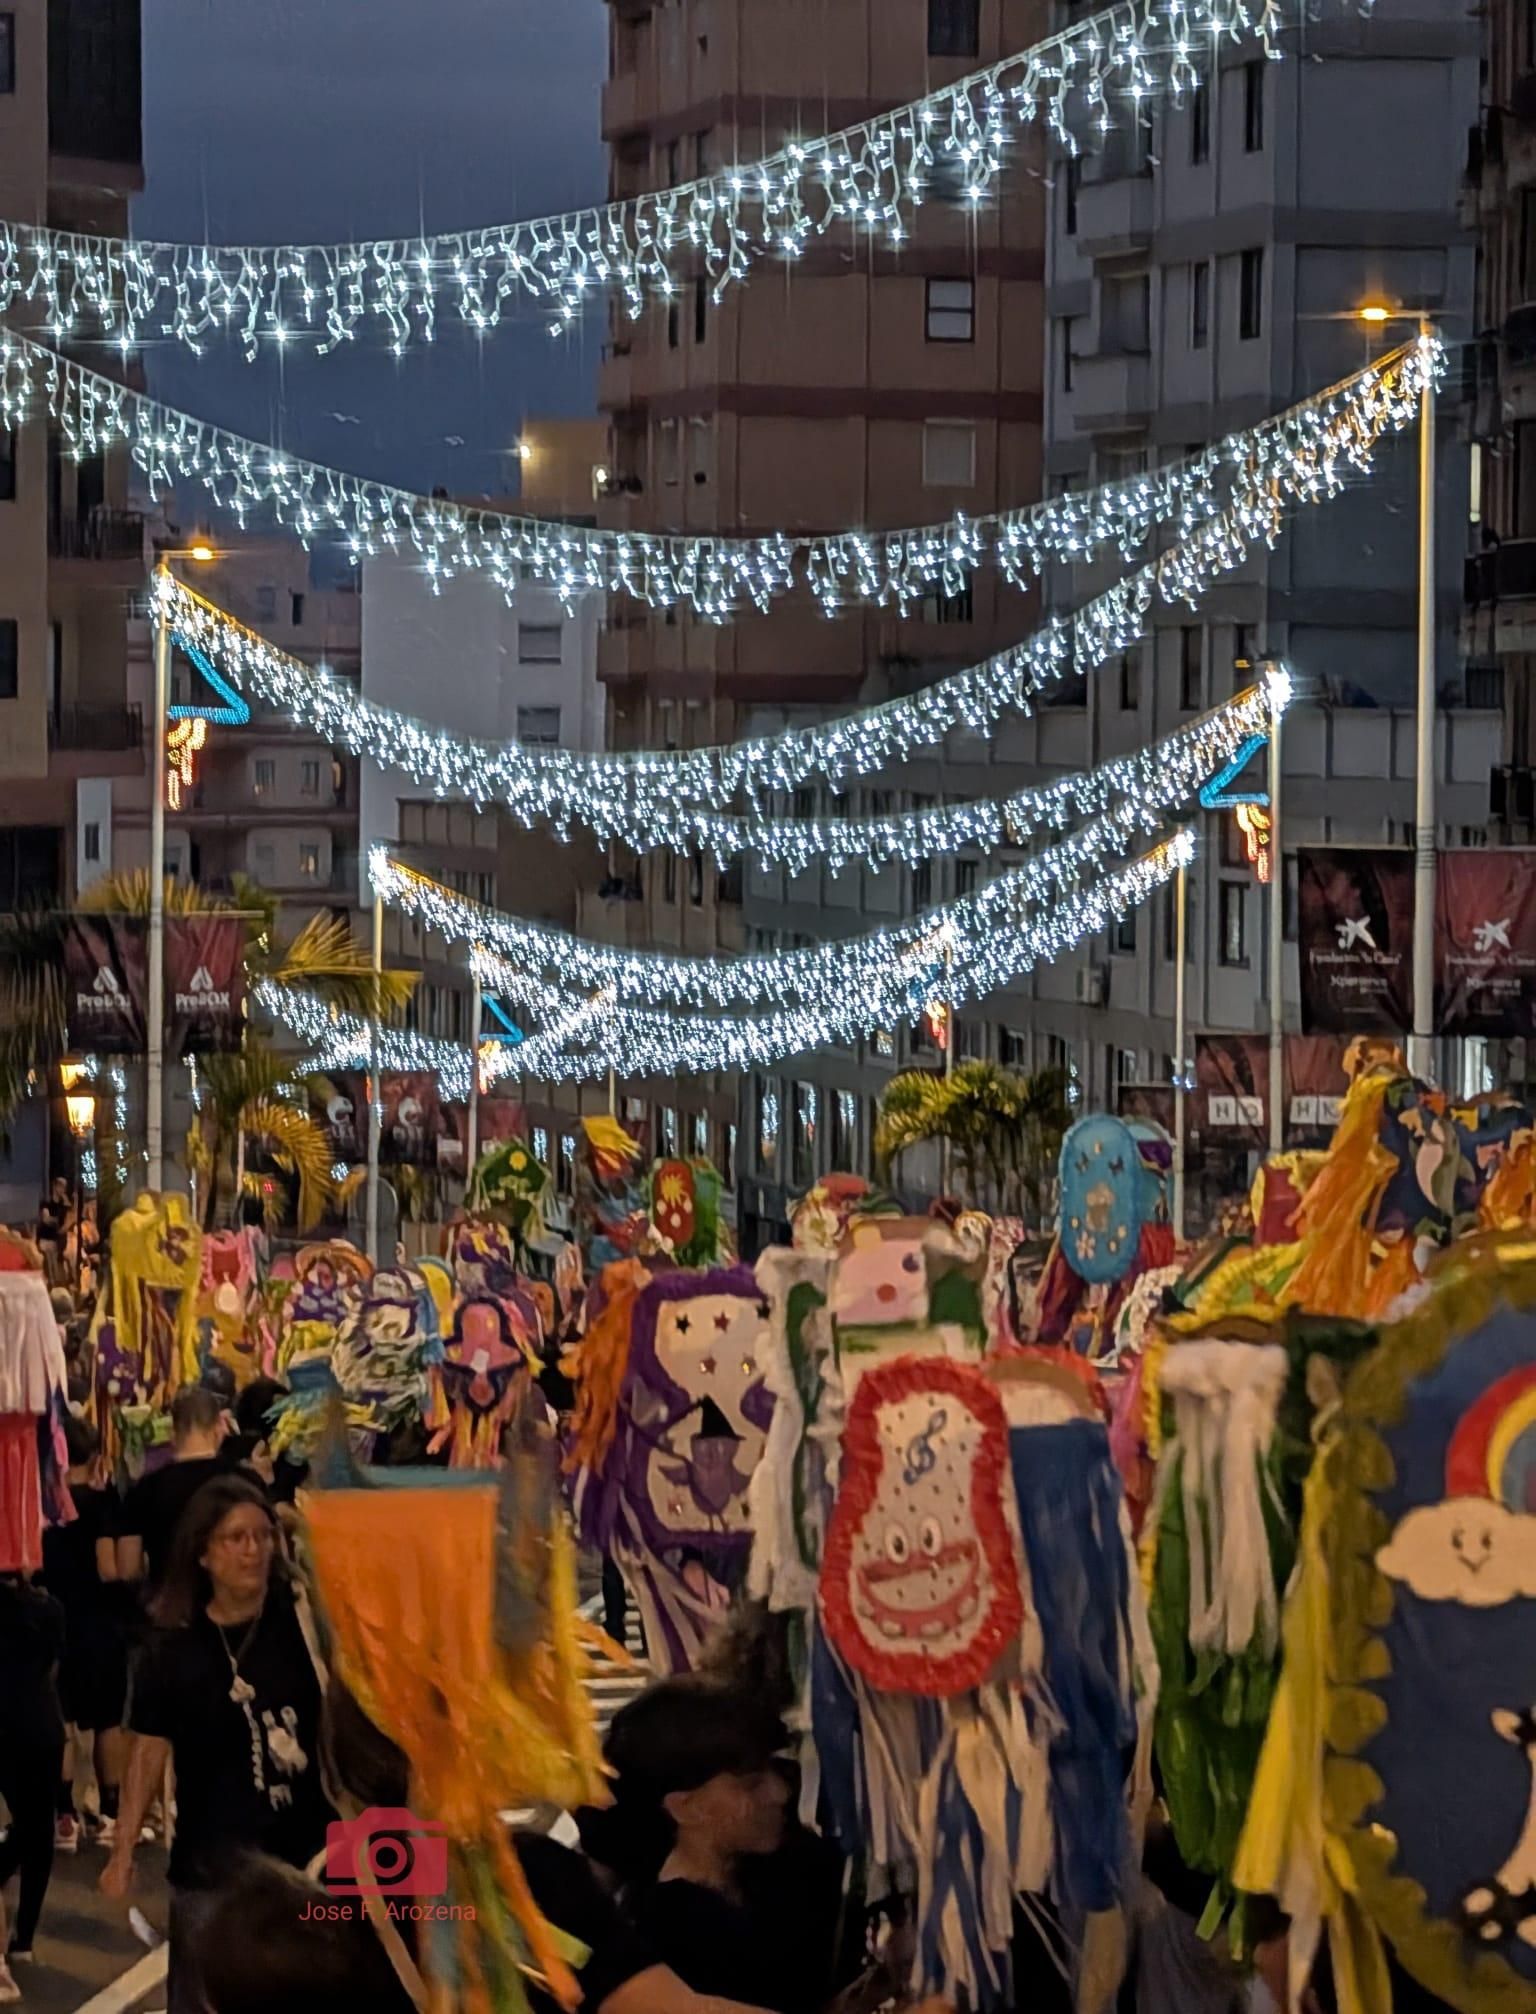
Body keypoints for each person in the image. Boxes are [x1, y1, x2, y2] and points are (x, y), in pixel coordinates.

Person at [101, 1476, 334, 2014]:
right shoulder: (173, 1649)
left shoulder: (303, 1622)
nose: (252, 1550)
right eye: (235, 1538)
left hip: (308, 1862)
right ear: (203, 1554)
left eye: (261, 1536)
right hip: (212, 1871)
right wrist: (122, 1851)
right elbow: (148, 1750)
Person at [40, 1413, 126, 1850]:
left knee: (64, 1724)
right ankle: (110, 1817)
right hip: (100, 1624)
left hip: (54, 1625)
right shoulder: (101, 1504)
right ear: (93, 1456)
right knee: (108, 1721)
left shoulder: (43, 1507)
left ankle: (64, 1819)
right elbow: (111, 1569)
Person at [0, 1571, 67, 1992]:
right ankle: (23, 1938)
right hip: (38, 1725)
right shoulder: (48, 1609)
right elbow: (52, 1668)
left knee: (28, 1833)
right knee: (36, 1833)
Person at [117, 1385, 243, 1601]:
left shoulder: (145, 1489)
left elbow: (128, 1570)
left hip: (169, 1613)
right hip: (232, 1611)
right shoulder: (242, 1482)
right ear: (217, 1429)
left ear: (172, 1433)